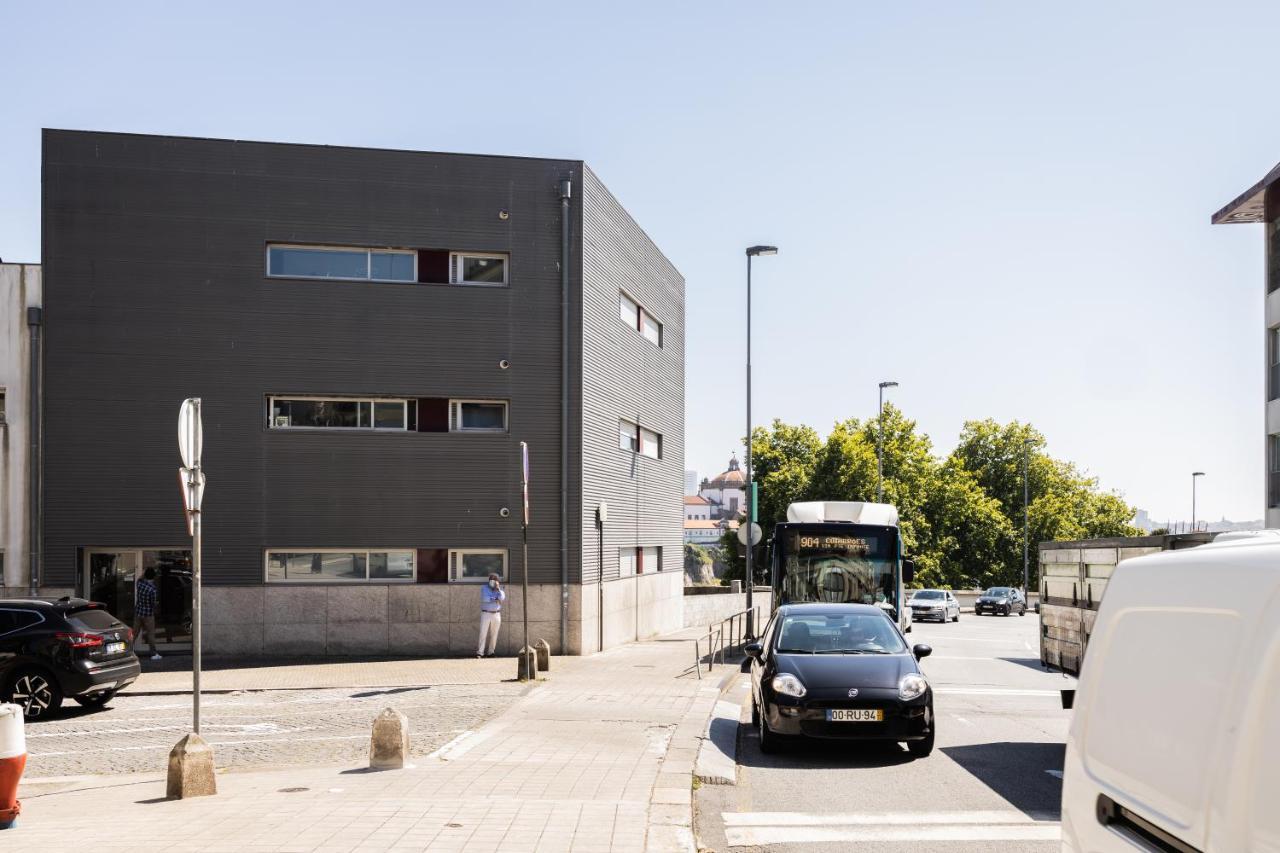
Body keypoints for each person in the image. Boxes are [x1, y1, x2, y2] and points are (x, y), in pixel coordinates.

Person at [132, 568, 161, 660]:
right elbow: (153, 604)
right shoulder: (152, 589)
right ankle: (153, 654)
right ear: (154, 576)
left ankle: (128, 651)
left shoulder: (140, 584)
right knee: (150, 634)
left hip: (138, 612)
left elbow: (140, 578)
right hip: (148, 614)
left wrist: (143, 573)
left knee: (135, 633)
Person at [477, 573, 506, 658]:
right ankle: (480, 653)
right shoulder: (484, 588)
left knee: (494, 634)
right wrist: (496, 599)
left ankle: (491, 652)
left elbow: (502, 598)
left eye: (494, 579)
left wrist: (497, 589)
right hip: (486, 613)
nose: (492, 581)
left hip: (496, 614)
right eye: (491, 579)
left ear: (497, 581)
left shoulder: (500, 589)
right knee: (483, 633)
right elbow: (485, 598)